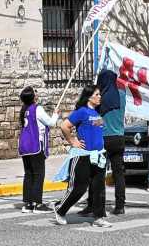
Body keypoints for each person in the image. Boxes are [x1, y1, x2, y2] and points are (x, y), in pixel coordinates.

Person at [54, 84, 111, 228]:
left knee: (98, 188)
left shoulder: (97, 113)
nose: (100, 97)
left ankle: (98, 217)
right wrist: (73, 141)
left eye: (99, 94)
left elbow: (96, 130)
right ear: (89, 97)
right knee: (79, 188)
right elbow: (64, 126)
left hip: (98, 156)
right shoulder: (81, 112)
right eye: (97, 94)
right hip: (83, 156)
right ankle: (60, 210)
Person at [17, 86, 57, 213]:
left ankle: (28, 203)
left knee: (28, 174)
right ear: (32, 96)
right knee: (39, 174)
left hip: (25, 146)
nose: (37, 93)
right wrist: (55, 114)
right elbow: (50, 122)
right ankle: (38, 204)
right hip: (35, 145)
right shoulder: (37, 109)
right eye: (35, 92)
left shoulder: (24, 110)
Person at [94, 66, 127, 214]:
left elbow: (95, 119)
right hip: (119, 138)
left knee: (99, 174)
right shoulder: (122, 95)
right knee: (118, 174)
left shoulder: (100, 98)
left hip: (103, 138)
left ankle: (98, 205)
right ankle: (120, 205)